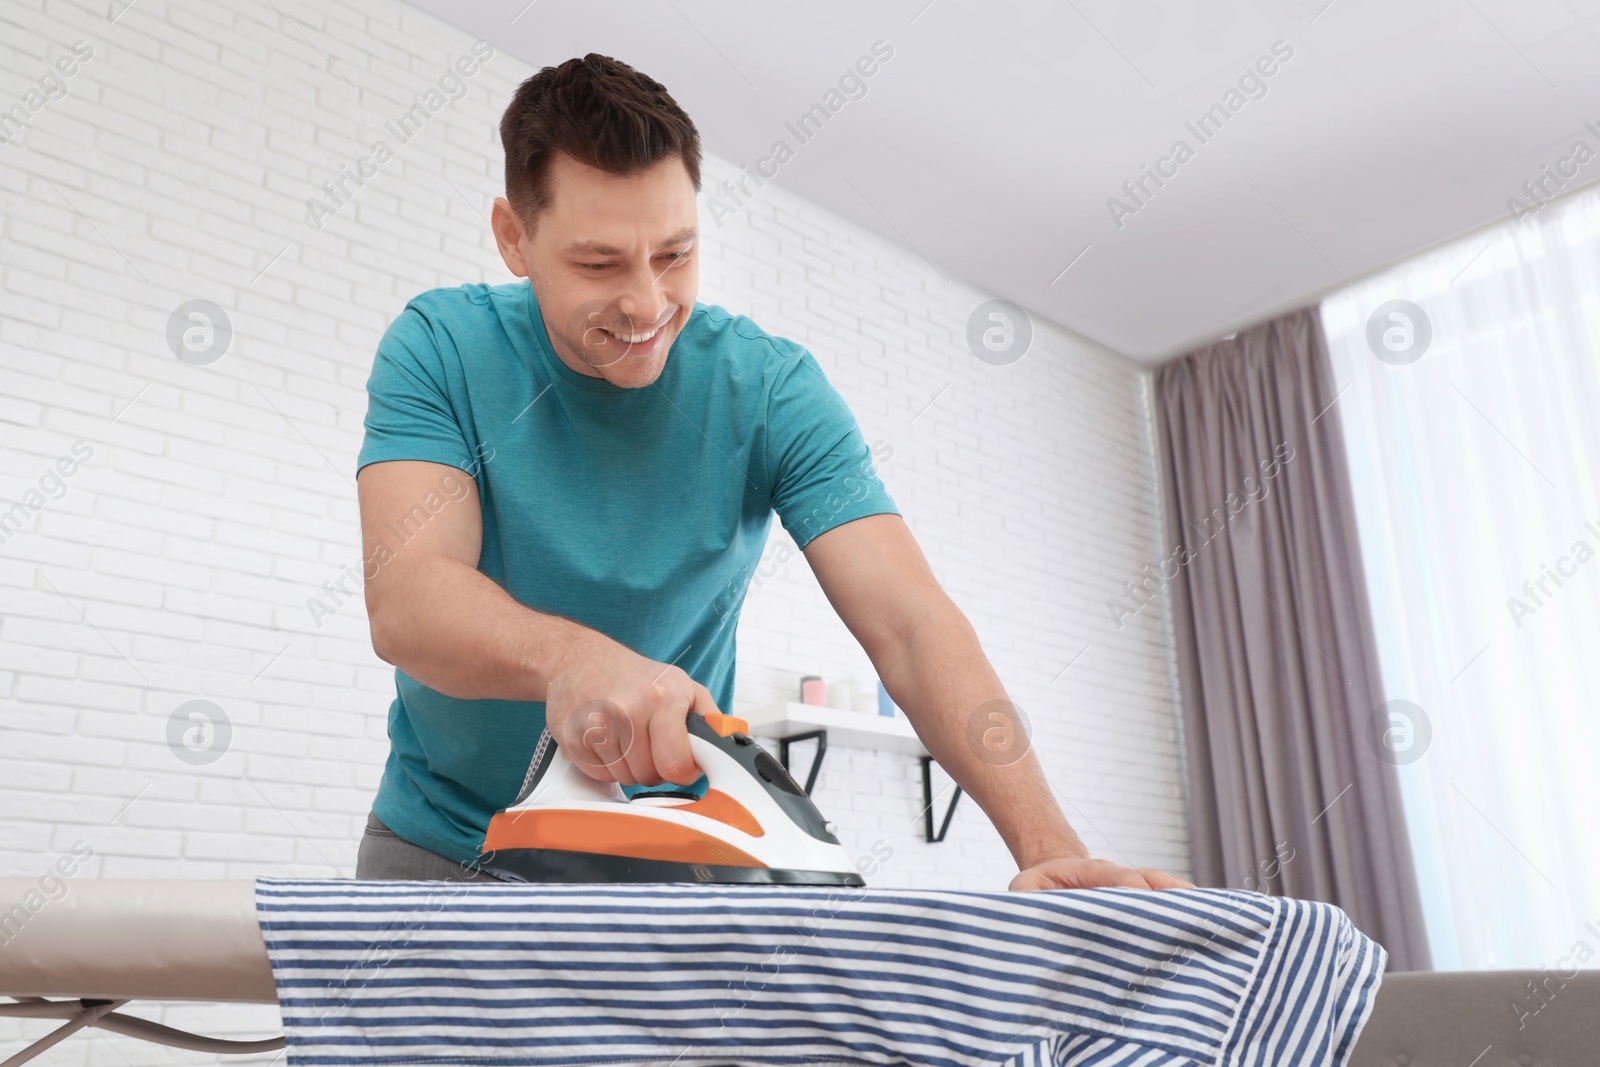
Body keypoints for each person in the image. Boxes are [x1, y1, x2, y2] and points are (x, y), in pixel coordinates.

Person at [352, 52, 1190, 893]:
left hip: (664, 862)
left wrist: (1047, 845)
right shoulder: (441, 348)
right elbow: (410, 594)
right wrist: (570, 659)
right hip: (436, 846)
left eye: (675, 254)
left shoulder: (769, 390)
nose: (647, 305)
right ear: (514, 238)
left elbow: (910, 621)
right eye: (600, 265)